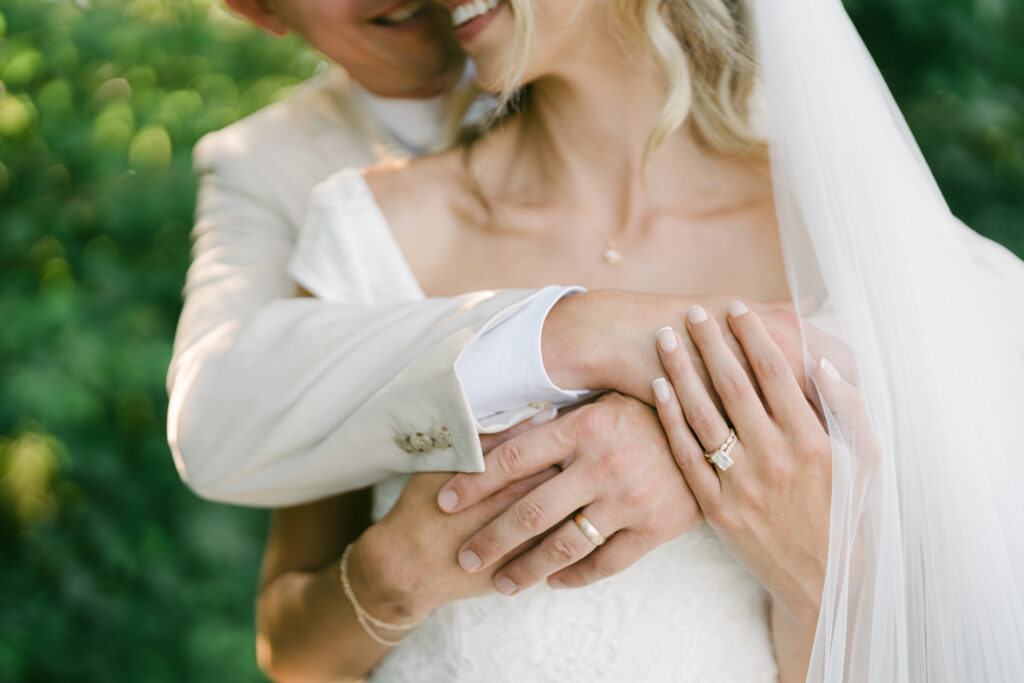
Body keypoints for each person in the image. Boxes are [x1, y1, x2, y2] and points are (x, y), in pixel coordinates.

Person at [257, 0, 1024, 681]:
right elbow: (290, 655)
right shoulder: (372, 236)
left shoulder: (852, 253)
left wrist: (819, 574)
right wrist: (394, 572)